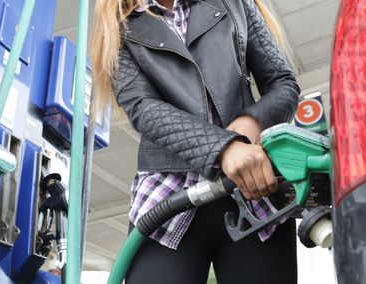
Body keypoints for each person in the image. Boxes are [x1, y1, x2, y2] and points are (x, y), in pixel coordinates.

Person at [90, 0, 300, 282]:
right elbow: (143, 108)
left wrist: (250, 124)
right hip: (165, 198)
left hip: (255, 191)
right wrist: (223, 147)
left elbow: (283, 82)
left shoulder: (234, 3)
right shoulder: (117, 28)